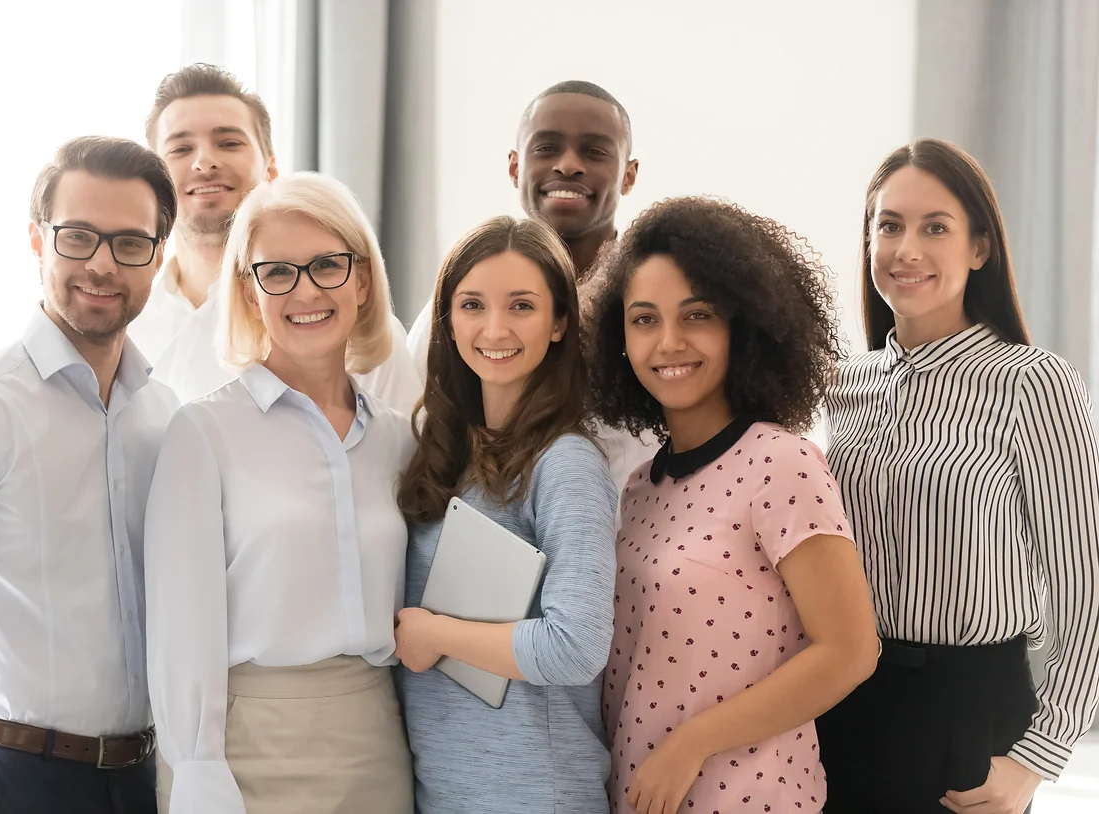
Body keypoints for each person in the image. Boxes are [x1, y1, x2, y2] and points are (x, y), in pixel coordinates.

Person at [818, 138, 1099, 814]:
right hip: (842, 702)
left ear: (979, 248)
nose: (906, 248)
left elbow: (1086, 583)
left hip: (968, 716)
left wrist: (1039, 755)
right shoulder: (841, 386)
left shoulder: (1034, 384)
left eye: (934, 227)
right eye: (889, 225)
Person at [584, 196, 879, 813]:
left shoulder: (781, 464)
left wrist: (691, 744)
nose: (668, 342)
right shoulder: (639, 487)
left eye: (697, 315)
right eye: (644, 319)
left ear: (741, 325)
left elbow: (850, 651)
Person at [144, 172, 414, 814]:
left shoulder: (401, 441)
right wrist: (197, 767)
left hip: (380, 740)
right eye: (278, 272)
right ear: (249, 290)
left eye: (327, 265)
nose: (306, 291)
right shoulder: (204, 433)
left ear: (363, 279)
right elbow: (181, 629)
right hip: (247, 748)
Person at [0, 136, 178, 814]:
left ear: (158, 256)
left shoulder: (166, 415)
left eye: (130, 243)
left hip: (147, 777)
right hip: (18, 778)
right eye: (78, 237)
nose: (103, 265)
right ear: (37, 240)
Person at [394, 216, 618, 813]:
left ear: (559, 322)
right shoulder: (444, 450)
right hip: (445, 789)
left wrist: (435, 634)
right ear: (446, 319)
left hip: (534, 793)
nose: (495, 328)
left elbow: (577, 647)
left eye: (522, 305)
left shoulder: (565, 463)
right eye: (472, 304)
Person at [405, 80, 652, 494]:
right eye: (546, 148)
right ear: (514, 167)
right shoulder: (456, 308)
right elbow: (412, 429)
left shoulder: (653, 307)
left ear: (628, 174)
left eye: (594, 151)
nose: (569, 165)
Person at [130, 62, 422, 412]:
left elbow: (404, 457)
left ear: (270, 168)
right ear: (155, 183)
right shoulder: (127, 319)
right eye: (180, 149)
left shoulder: (347, 323)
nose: (205, 162)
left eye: (228, 142)